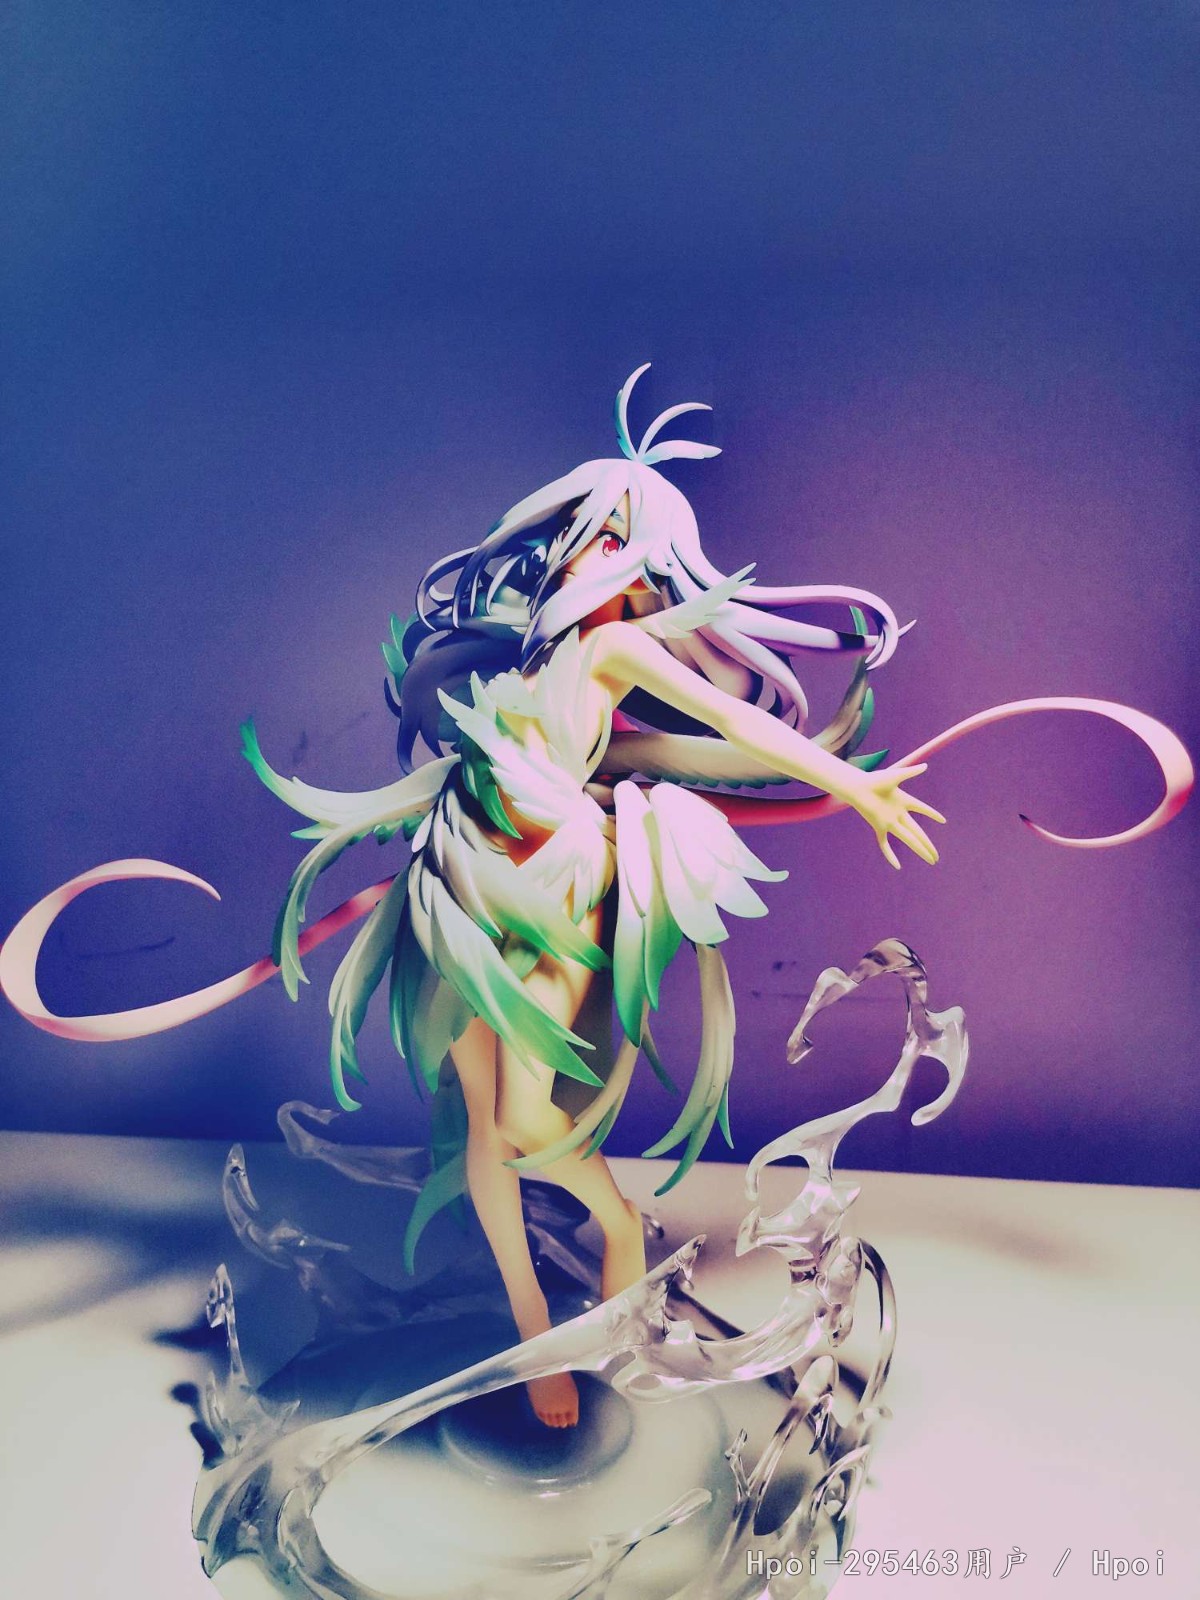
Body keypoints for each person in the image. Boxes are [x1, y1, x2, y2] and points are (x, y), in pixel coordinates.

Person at [1, 365, 1189, 1429]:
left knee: (534, 1126)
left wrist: (856, 785)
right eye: (582, 533)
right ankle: (536, 1332)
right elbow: (484, 753)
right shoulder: (518, 651)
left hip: (555, 888)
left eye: (613, 538)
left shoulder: (613, 652)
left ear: (642, 563)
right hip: (459, 882)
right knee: (478, 1127)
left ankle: (616, 1258)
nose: (588, 556)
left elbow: (733, 724)